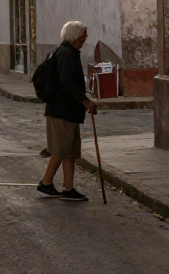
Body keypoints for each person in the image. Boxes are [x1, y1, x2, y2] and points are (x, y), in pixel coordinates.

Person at [38, 21, 97, 202]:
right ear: (74, 36)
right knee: (60, 149)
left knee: (70, 151)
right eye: (83, 35)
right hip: (61, 109)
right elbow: (68, 84)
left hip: (68, 110)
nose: (85, 39)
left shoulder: (67, 52)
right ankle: (45, 183)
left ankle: (68, 188)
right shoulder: (65, 54)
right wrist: (86, 101)